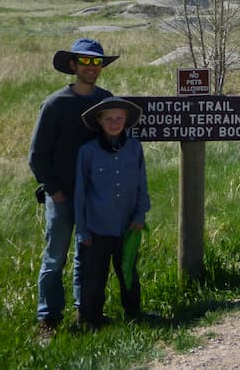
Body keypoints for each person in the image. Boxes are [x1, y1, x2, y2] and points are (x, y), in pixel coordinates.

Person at [28, 38, 118, 336]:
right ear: (72, 65)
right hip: (62, 195)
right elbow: (37, 156)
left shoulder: (106, 101)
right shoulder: (55, 104)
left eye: (97, 62)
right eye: (85, 61)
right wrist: (54, 191)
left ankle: (87, 313)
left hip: (94, 196)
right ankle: (48, 319)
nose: (92, 67)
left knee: (88, 256)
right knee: (55, 256)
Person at [75, 97, 150, 329]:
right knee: (94, 276)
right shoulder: (87, 152)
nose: (114, 123)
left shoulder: (134, 148)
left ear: (126, 120)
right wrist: (82, 230)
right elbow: (80, 193)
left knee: (128, 272)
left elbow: (142, 184)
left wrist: (140, 215)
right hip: (97, 226)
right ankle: (91, 320)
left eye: (119, 118)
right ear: (99, 120)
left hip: (127, 225)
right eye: (108, 118)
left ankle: (134, 314)